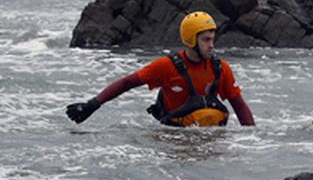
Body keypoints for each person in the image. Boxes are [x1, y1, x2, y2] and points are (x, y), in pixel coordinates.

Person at [65, 11, 255, 127]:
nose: (212, 45)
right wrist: (92, 104)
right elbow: (127, 83)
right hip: (173, 137)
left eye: (213, 39)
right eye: (206, 40)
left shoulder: (221, 68)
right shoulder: (166, 66)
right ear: (190, 40)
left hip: (211, 138)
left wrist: (252, 141)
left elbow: (239, 106)